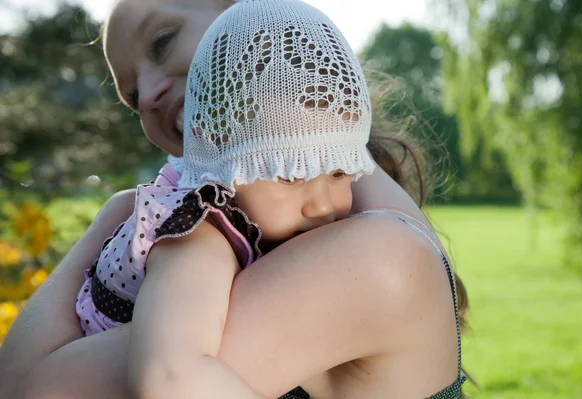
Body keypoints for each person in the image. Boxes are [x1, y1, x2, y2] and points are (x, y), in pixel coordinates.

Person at [0, 0, 469, 398]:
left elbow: (34, 387)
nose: (146, 95)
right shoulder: (194, 223)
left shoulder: (371, 254)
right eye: (131, 94)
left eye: (161, 41)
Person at [74, 2, 377, 396]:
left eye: (339, 172)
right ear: (218, 151)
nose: (323, 206)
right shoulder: (199, 233)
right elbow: (169, 378)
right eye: (287, 173)